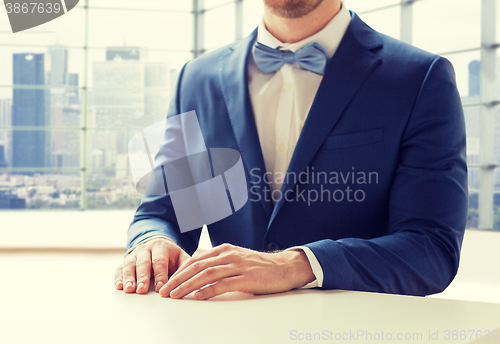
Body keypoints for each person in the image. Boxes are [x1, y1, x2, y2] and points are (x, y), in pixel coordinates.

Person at [114, 0, 467, 300]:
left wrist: (297, 265)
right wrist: (153, 241)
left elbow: (431, 249)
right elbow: (165, 213)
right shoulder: (198, 79)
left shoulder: (419, 79)